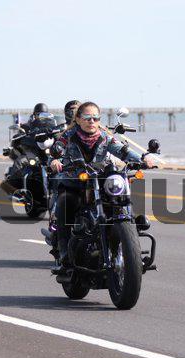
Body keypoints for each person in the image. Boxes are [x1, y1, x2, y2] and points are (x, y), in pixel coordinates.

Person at [50, 101, 154, 267]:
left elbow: (122, 150)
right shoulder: (68, 136)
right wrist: (55, 160)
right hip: (75, 180)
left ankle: (130, 241)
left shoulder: (105, 137)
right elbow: (57, 149)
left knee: (119, 194)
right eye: (87, 117)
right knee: (65, 202)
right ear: (78, 119)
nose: (91, 121)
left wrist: (143, 159)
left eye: (95, 118)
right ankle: (64, 251)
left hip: (100, 178)